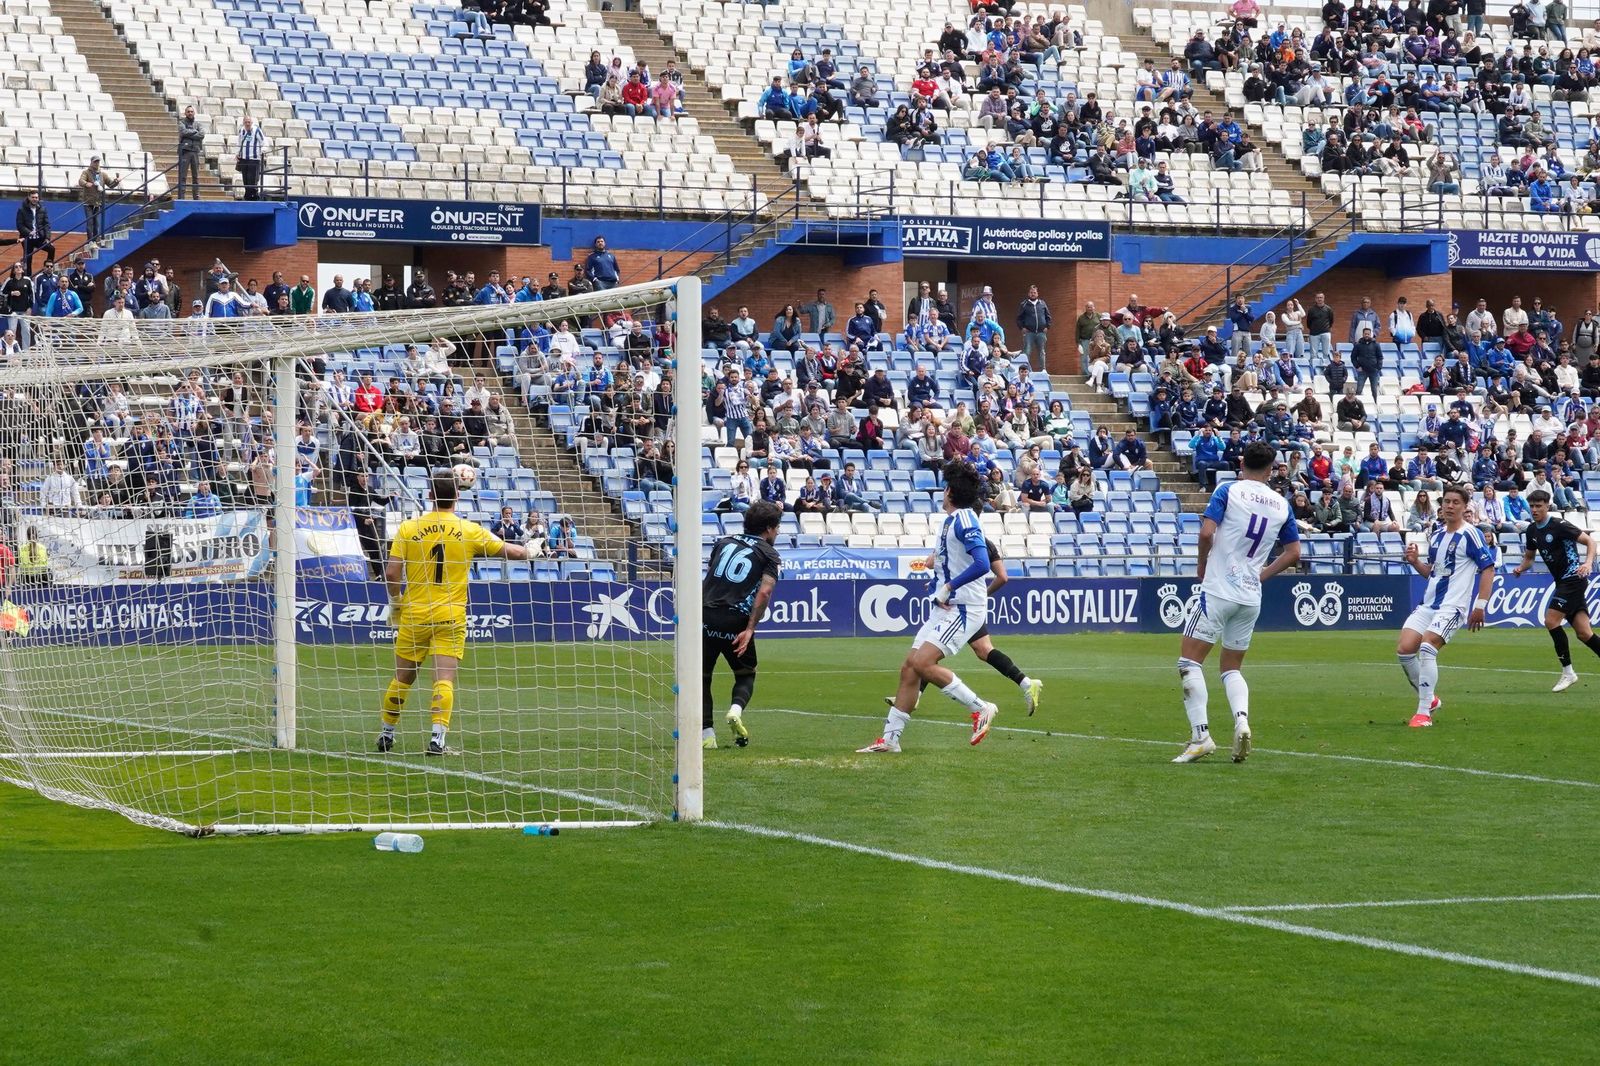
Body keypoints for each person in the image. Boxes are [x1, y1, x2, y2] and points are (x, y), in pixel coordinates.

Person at [375, 473, 531, 756]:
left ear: (430, 496)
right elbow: (513, 552)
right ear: (457, 496)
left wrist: (396, 601)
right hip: (451, 616)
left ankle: (387, 733)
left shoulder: (409, 528)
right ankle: (437, 739)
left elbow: (391, 572)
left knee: (402, 678)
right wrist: (530, 550)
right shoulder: (469, 530)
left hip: (414, 615)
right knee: (443, 679)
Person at [1173, 442, 1303, 763]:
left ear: (1242, 462)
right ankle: (1242, 720)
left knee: (1189, 663)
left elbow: (1206, 534)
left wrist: (1202, 566)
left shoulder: (1227, 490)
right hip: (1249, 596)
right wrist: (1261, 575)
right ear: (1272, 469)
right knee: (1231, 668)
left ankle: (1200, 736)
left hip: (1218, 590)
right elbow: (1294, 553)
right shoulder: (1281, 504)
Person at [858, 460, 999, 753]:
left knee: (923, 663)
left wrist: (948, 587)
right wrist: (940, 585)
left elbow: (983, 564)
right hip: (947, 606)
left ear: (948, 491)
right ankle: (890, 740)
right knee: (910, 667)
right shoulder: (953, 520)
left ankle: (981, 707)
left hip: (963, 608)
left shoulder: (965, 520)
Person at [885, 537, 1044, 717]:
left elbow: (929, 563)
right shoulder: (985, 543)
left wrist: (948, 584)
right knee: (983, 650)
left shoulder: (955, 541)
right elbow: (1002, 577)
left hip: (960, 608)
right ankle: (1026, 683)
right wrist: (981, 596)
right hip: (968, 605)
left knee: (930, 652)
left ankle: (916, 695)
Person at [1397, 484, 1496, 728]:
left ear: (1465, 507)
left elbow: (1488, 568)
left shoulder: (1470, 534)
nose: (1450, 506)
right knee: (1405, 650)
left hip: (1453, 607)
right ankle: (1430, 699)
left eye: (1456, 503)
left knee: (1428, 648)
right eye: (1447, 502)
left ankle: (1423, 713)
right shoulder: (1438, 534)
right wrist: (1414, 562)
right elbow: (1433, 573)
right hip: (1429, 604)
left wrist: (1480, 605)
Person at [702, 500, 784, 749]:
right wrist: (749, 628)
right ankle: (735, 711)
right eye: (777, 528)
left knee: (702, 677)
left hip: (704, 615)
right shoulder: (769, 554)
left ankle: (707, 736)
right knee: (746, 673)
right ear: (769, 529)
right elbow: (764, 592)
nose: (778, 533)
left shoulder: (723, 543)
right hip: (735, 619)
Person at [1511, 488, 1600, 691]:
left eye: (1538, 506)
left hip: (1573, 579)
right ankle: (1569, 672)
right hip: (1562, 582)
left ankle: (1568, 672)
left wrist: (1587, 563)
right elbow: (1529, 558)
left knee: (1551, 620)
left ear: (1547, 506)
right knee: (1584, 633)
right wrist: (1520, 568)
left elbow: (1590, 541)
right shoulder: (1532, 531)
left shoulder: (1559, 525)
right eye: (1532, 506)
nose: (1534, 510)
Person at [236, 116, 266, 200]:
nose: (247, 124)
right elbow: (239, 142)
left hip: (254, 159)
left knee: (252, 179)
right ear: (243, 122)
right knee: (245, 178)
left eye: (249, 122)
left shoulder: (256, 130)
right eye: (246, 122)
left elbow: (263, 142)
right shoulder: (241, 130)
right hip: (244, 159)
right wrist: (238, 153)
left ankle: (253, 196)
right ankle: (247, 196)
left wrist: (262, 151)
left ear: (251, 122)